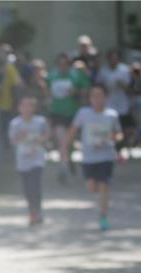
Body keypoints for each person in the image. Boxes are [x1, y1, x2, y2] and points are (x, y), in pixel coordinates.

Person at [61, 84, 123, 231]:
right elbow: (72, 131)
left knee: (104, 186)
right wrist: (64, 147)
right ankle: (102, 198)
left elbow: (119, 134)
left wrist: (113, 138)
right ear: (89, 98)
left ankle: (103, 216)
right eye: (93, 96)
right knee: (92, 187)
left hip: (106, 156)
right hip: (88, 157)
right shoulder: (83, 113)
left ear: (106, 97)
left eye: (100, 95)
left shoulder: (111, 114)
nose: (96, 99)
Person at [8, 95, 50, 226]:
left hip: (37, 158)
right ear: (19, 108)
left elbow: (48, 134)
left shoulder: (40, 121)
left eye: (29, 105)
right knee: (27, 188)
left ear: (33, 108)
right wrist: (21, 137)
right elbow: (12, 141)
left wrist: (40, 140)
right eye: (24, 105)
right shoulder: (15, 123)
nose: (27, 108)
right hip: (22, 160)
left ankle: (37, 212)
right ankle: (32, 211)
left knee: (35, 185)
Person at [47, 53, 90, 181]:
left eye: (65, 64)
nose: (63, 67)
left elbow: (87, 88)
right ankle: (63, 168)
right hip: (58, 113)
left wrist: (76, 91)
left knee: (70, 142)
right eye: (60, 64)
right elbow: (46, 89)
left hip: (73, 113)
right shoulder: (52, 75)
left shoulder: (76, 75)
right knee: (62, 140)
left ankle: (70, 159)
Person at [97, 49, 134, 155]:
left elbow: (130, 89)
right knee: (110, 128)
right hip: (109, 104)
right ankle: (113, 150)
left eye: (116, 58)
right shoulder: (103, 71)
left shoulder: (125, 70)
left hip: (122, 104)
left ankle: (126, 149)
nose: (114, 60)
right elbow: (99, 86)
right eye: (112, 59)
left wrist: (122, 85)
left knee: (125, 129)